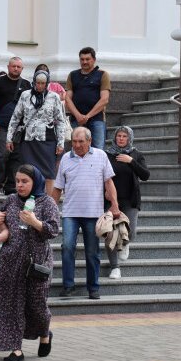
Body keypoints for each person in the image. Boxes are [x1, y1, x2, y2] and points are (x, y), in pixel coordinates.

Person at [0, 164, 58, 361]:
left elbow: (52, 231)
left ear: (35, 182)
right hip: (11, 260)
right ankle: (15, 349)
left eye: (25, 181)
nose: (20, 185)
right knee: (11, 304)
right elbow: (1, 225)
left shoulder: (47, 202)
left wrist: (35, 222)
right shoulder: (10, 200)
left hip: (36, 263)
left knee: (37, 305)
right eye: (17, 181)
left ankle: (45, 333)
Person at [52, 127, 120, 299]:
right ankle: (68, 286)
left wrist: (115, 205)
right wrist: (50, 208)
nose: (77, 145)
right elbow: (58, 187)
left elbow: (109, 182)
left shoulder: (101, 155)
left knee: (92, 251)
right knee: (67, 247)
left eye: (81, 141)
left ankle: (93, 287)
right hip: (70, 212)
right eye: (74, 141)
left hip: (93, 213)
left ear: (89, 141)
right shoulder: (66, 158)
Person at [6, 70, 66, 194]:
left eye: (43, 83)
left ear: (47, 83)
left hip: (47, 140)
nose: (40, 86)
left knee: (49, 173)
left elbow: (60, 120)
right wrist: (9, 138)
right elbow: (15, 118)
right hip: (28, 140)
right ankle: (28, 201)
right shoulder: (25, 95)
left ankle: (50, 205)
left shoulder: (54, 97)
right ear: (33, 82)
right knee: (28, 172)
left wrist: (61, 143)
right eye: (37, 83)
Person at [105, 126, 150, 279]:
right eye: (119, 136)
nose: (121, 138)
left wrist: (131, 161)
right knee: (111, 234)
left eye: (125, 136)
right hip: (110, 200)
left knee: (131, 231)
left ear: (129, 138)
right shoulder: (107, 154)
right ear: (115, 137)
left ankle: (125, 243)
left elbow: (145, 175)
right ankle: (115, 267)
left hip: (130, 199)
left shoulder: (136, 154)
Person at [0, 57, 31, 193]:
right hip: (3, 126)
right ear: (8, 67)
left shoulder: (27, 84)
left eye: (19, 67)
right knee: (0, 156)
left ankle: (12, 187)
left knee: (17, 158)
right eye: (13, 66)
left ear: (22, 69)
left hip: (20, 128)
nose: (16, 69)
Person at [65, 47, 111, 150]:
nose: (84, 62)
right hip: (76, 120)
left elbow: (104, 99)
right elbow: (67, 98)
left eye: (87, 59)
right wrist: (78, 116)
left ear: (94, 60)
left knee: (98, 150)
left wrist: (87, 116)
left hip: (97, 119)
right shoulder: (72, 75)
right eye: (82, 59)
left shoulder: (102, 75)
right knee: (76, 149)